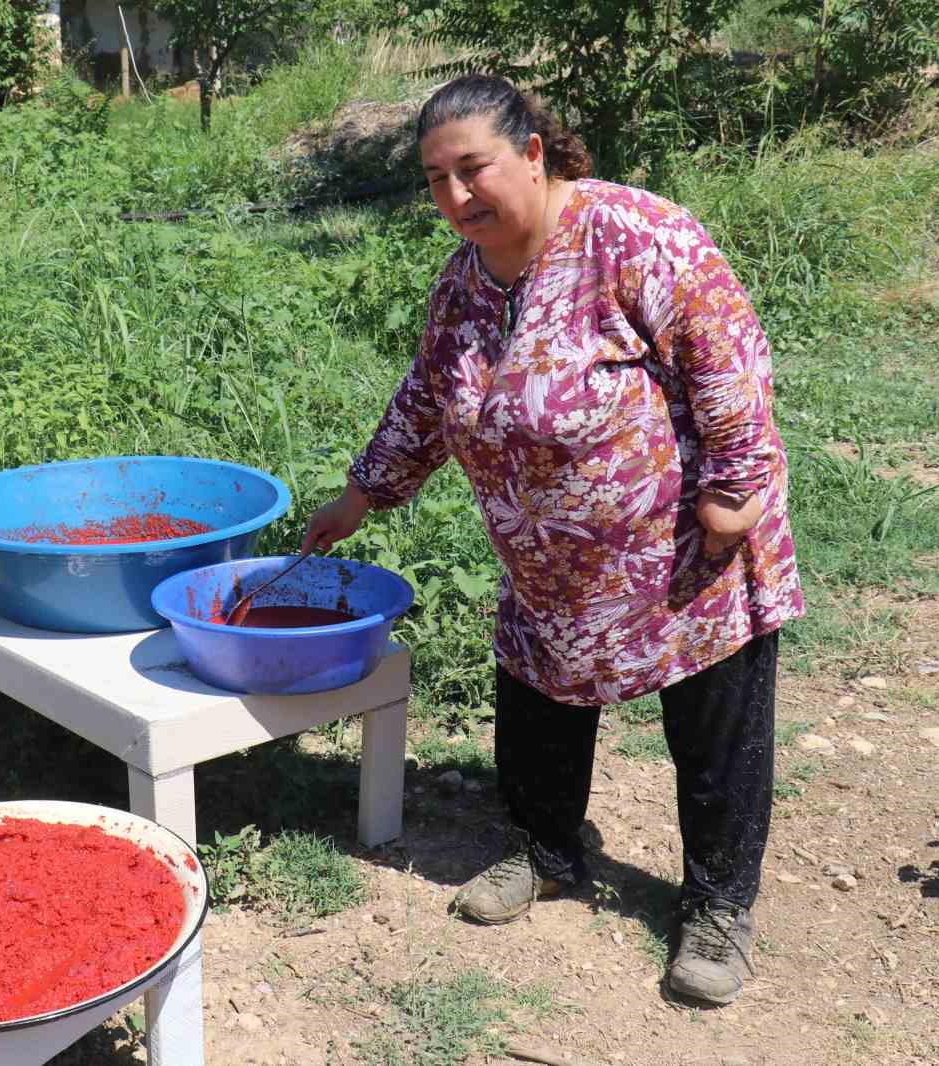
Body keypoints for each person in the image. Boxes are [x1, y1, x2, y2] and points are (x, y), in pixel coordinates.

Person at [301, 74, 805, 1006]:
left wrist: (733, 495)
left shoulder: (639, 237)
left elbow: (729, 358)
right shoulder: (464, 279)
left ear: (533, 153)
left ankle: (720, 907)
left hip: (681, 552)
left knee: (714, 727)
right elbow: (425, 397)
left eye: (473, 170)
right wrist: (364, 494)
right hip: (547, 556)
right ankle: (548, 852)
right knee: (537, 702)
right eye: (436, 179)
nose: (456, 198)